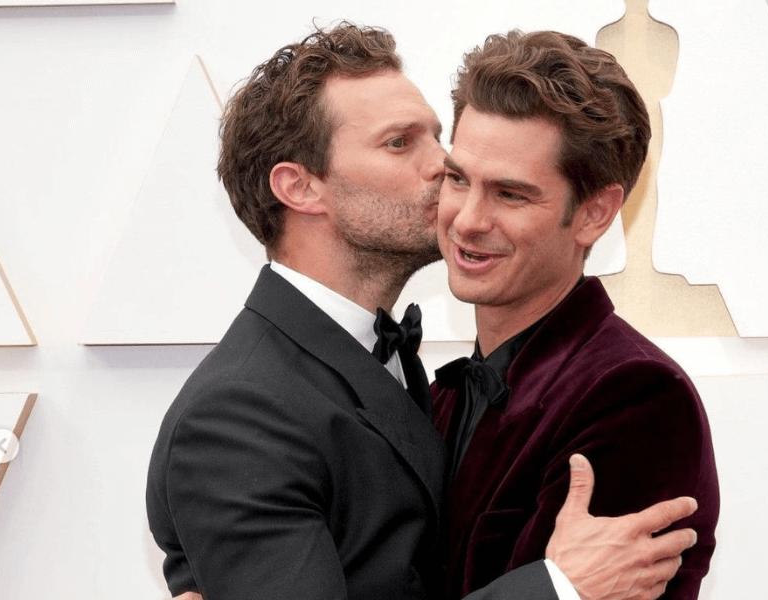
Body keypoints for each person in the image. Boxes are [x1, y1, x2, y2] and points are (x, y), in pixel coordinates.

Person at [146, 22, 698, 600]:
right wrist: (558, 589)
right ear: (301, 188)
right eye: (400, 142)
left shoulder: (423, 378)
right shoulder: (239, 415)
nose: (443, 166)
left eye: (437, 138)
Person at [432, 30, 720, 600]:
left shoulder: (636, 399)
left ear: (594, 213)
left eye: (510, 194)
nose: (466, 219)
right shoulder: (445, 394)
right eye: (458, 178)